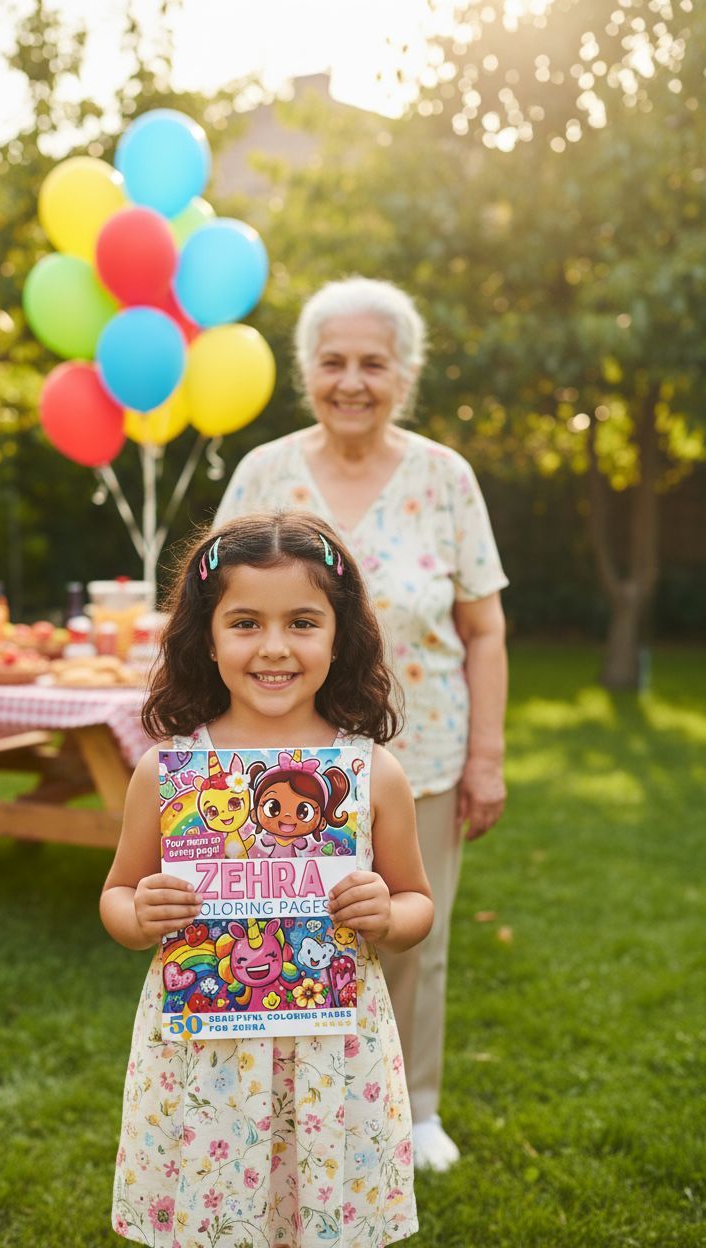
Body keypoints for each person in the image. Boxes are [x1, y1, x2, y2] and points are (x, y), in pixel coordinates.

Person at [214, 277, 509, 1171]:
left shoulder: (445, 475)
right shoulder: (265, 471)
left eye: (372, 363)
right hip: (273, 756)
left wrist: (486, 758)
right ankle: (276, 1104)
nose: (352, 380)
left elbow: (484, 626)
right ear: (307, 371)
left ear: (404, 374)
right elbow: (207, 609)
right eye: (333, 361)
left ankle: (414, 1109)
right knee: (275, 932)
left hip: (417, 756)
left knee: (412, 929)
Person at [101, 512, 434, 1247]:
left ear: (340, 635)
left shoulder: (372, 773)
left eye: (303, 622)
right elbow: (118, 893)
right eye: (246, 622)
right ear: (207, 638)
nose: (275, 647)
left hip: (332, 1053)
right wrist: (138, 912)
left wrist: (386, 910)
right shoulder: (169, 772)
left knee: (321, 1218)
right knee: (215, 1220)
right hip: (205, 1053)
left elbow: (417, 904)